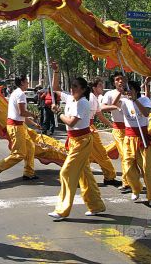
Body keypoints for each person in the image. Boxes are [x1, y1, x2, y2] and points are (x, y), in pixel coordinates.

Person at [48, 63, 105, 221]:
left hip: (82, 141)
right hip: (73, 140)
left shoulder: (83, 103)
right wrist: (56, 71)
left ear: (83, 89)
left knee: (66, 172)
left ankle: (62, 210)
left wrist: (58, 112)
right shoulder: (71, 99)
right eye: (71, 86)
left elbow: (71, 123)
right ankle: (96, 205)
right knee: (84, 174)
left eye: (75, 86)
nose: (72, 89)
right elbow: (55, 89)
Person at [114, 80, 151, 207]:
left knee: (147, 168)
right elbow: (113, 104)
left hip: (142, 138)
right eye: (126, 90)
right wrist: (120, 92)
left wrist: (135, 100)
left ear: (136, 90)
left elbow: (146, 113)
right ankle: (136, 188)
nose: (128, 92)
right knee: (127, 167)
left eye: (130, 89)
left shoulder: (144, 100)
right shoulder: (123, 101)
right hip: (128, 138)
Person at [0, 75, 41, 182]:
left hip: (18, 125)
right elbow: (22, 113)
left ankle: (29, 173)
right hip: (16, 127)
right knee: (20, 153)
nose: (28, 83)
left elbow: (20, 115)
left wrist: (34, 124)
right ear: (22, 82)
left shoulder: (16, 93)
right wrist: (34, 115)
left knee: (30, 146)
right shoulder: (20, 94)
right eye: (27, 81)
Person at [88, 78, 122, 187]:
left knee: (99, 154)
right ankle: (109, 176)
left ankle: (109, 176)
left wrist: (111, 125)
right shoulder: (90, 98)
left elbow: (100, 115)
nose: (102, 88)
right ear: (94, 88)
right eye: (100, 86)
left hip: (88, 128)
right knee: (100, 154)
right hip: (87, 130)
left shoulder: (93, 98)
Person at [101, 72, 131, 193]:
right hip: (119, 129)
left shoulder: (131, 92)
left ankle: (133, 180)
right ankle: (127, 183)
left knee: (132, 156)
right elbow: (102, 108)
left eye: (122, 79)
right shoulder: (110, 94)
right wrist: (116, 106)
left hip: (132, 129)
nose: (120, 81)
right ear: (114, 82)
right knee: (125, 155)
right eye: (117, 79)